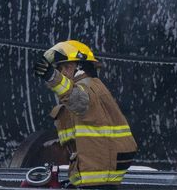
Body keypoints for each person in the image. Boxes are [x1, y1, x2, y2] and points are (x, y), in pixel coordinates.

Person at [32, 40, 137, 189]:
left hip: (98, 178)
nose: (61, 73)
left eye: (62, 68)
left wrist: (53, 77)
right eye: (57, 70)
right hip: (95, 177)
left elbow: (78, 101)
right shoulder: (91, 86)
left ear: (75, 67)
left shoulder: (87, 86)